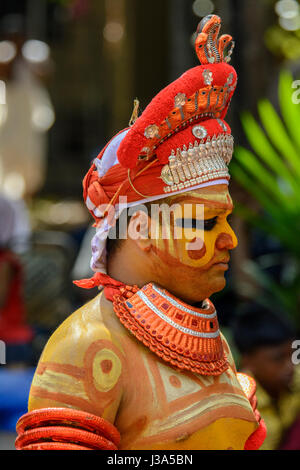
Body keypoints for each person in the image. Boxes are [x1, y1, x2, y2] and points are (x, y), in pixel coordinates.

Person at [15, 15, 266, 450]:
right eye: (207, 222)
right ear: (141, 227)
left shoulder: (208, 333)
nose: (231, 239)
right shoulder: (89, 344)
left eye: (226, 220)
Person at [232, 304, 300, 450]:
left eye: (293, 355)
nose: (291, 366)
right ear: (247, 361)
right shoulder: (239, 407)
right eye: (278, 359)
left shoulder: (296, 378)